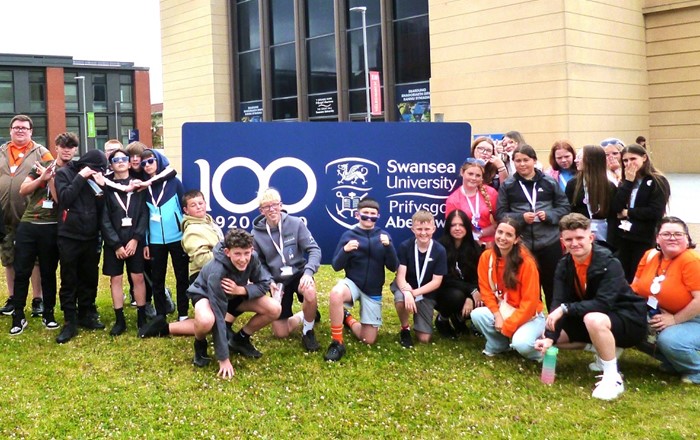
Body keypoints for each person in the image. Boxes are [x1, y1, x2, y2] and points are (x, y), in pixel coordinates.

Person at [534, 213, 646, 400]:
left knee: (592, 318)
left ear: (591, 238)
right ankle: (601, 347)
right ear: (562, 241)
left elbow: (603, 303)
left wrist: (566, 309)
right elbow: (557, 300)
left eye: (580, 238)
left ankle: (612, 377)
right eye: (569, 239)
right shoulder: (564, 264)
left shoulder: (610, 263)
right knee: (552, 338)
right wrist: (550, 337)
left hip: (627, 320)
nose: (575, 243)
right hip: (592, 318)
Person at [7, 132, 77, 335]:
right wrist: (42, 178)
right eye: (63, 145)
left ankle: (49, 313)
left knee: (48, 271)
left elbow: (60, 200)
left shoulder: (74, 171)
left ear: (75, 150)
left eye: (71, 146)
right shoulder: (41, 166)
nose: (66, 149)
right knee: (22, 271)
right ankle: (18, 315)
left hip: (53, 225)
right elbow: (23, 189)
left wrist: (51, 181)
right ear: (56, 147)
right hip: (29, 224)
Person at [186, 229, 279, 377]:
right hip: (206, 295)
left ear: (252, 250)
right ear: (227, 252)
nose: (243, 259)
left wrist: (241, 290)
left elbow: (264, 284)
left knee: (274, 308)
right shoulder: (218, 271)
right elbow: (219, 316)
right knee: (206, 321)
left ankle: (240, 340)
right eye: (237, 254)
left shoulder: (253, 258)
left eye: (246, 253)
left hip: (234, 293)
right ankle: (200, 344)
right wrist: (223, 358)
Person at [137, 190, 225, 339]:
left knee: (221, 317)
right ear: (185, 210)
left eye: (200, 203)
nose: (198, 207)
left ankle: (182, 317)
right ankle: (164, 327)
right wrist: (227, 259)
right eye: (193, 205)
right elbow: (203, 260)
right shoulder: (192, 230)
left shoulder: (209, 222)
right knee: (210, 322)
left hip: (218, 274)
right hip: (205, 279)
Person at [324, 197, 399, 362]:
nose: (369, 218)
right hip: (353, 284)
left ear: (378, 217)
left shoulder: (384, 236)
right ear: (357, 215)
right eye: (365, 215)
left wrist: (389, 247)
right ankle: (337, 342)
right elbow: (336, 265)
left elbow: (393, 266)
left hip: (373, 290)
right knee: (336, 293)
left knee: (368, 340)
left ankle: (348, 319)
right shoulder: (349, 235)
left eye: (373, 215)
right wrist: (345, 250)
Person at [496, 144, 570, 310]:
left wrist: (550, 215)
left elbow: (564, 207)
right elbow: (500, 214)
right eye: (518, 161)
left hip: (549, 242)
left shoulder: (549, 182)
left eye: (526, 160)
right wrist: (520, 218)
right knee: (527, 286)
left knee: (553, 285)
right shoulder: (508, 185)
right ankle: (531, 322)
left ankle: (554, 324)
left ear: (534, 161)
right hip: (523, 244)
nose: (522, 164)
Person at [631, 216, 700, 385]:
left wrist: (674, 320)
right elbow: (635, 287)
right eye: (666, 234)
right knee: (631, 327)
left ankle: (695, 369)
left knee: (669, 340)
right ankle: (674, 362)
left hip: (694, 318)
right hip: (659, 313)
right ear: (657, 238)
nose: (672, 238)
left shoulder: (691, 260)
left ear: (687, 238)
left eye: (678, 234)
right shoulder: (650, 256)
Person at [252, 188, 322, 352]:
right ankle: (304, 315)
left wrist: (308, 273)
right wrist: (269, 281)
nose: (272, 209)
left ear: (281, 205)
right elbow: (258, 263)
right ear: (261, 210)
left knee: (310, 292)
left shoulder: (296, 223)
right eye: (267, 206)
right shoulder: (256, 234)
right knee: (280, 333)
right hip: (278, 280)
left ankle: (308, 331)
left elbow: (314, 250)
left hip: (298, 272)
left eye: (275, 205)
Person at [470, 217, 545, 360]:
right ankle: (499, 345)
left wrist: (508, 326)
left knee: (521, 344)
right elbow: (485, 291)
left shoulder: (527, 263)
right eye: (500, 232)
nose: (502, 238)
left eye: (509, 235)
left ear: (516, 239)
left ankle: (542, 352)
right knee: (477, 315)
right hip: (505, 309)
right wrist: (498, 317)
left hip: (530, 317)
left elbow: (529, 304)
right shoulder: (486, 257)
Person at [54, 149, 109, 343]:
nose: (96, 172)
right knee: (69, 277)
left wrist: (103, 190)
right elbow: (65, 198)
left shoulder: (97, 178)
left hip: (91, 235)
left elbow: (103, 209)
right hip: (69, 235)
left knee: (89, 276)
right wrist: (80, 177)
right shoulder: (64, 173)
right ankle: (70, 320)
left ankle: (87, 312)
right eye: (94, 169)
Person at [0, 115, 52, 316]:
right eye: (16, 127)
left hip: (31, 217)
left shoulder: (42, 152)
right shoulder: (2, 151)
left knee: (35, 261)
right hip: (5, 216)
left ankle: (37, 299)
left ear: (31, 131)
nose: (20, 130)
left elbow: (52, 176)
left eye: (24, 128)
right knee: (8, 258)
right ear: (10, 130)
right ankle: (13, 298)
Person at [99, 149, 149, 336]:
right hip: (115, 243)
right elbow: (103, 219)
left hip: (134, 240)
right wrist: (116, 245)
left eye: (123, 159)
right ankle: (119, 320)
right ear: (111, 166)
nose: (120, 162)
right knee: (116, 279)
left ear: (129, 163)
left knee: (138, 277)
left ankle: (142, 317)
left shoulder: (139, 187)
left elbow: (144, 214)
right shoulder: (107, 188)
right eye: (115, 160)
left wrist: (136, 239)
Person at [141, 149, 190, 321]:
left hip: (177, 237)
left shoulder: (174, 182)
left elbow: (184, 209)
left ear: (159, 161)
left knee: (182, 276)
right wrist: (146, 242)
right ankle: (161, 313)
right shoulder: (143, 186)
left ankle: (183, 313)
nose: (147, 165)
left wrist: (186, 234)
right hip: (155, 240)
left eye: (150, 161)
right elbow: (144, 216)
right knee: (157, 278)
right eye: (143, 163)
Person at [612, 143, 670, 283]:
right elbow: (616, 206)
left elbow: (655, 211)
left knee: (640, 275)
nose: (629, 163)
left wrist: (628, 212)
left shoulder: (657, 181)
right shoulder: (626, 182)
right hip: (624, 237)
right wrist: (628, 182)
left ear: (644, 158)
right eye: (625, 161)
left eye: (633, 159)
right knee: (623, 275)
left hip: (644, 237)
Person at [391, 209, 447, 347]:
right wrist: (406, 291)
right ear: (412, 229)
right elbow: (400, 276)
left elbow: (436, 282)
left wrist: (414, 293)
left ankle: (420, 321)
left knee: (424, 338)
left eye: (427, 229)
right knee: (400, 299)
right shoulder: (405, 246)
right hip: (406, 286)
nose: (423, 233)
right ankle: (405, 329)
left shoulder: (439, 250)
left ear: (434, 229)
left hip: (425, 293)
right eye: (419, 229)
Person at [432, 209, 482, 338]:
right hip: (444, 291)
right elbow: (444, 279)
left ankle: (461, 318)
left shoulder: (475, 248)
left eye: (461, 225)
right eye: (453, 225)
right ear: (448, 227)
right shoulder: (439, 247)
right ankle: (442, 320)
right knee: (456, 296)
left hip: (470, 292)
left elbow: (479, 277)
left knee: (485, 297)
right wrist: (470, 292)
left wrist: (471, 298)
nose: (457, 228)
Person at [565, 145, 618, 245]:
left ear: (590, 160)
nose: (576, 160)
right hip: (580, 236)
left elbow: (613, 216)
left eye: (580, 157)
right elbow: (569, 211)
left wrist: (612, 242)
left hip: (605, 238)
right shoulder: (573, 184)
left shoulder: (609, 186)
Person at [445, 158, 498, 248]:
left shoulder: (491, 193)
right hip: (466, 246)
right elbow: (452, 229)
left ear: (482, 177)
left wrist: (480, 234)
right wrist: (472, 237)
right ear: (462, 172)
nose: (473, 178)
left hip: (492, 245)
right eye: (470, 174)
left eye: (478, 175)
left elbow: (500, 221)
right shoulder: (453, 200)